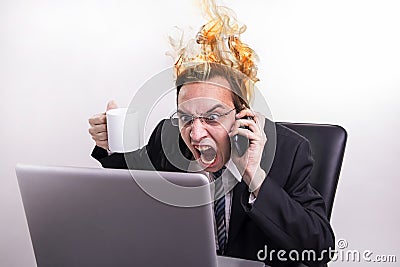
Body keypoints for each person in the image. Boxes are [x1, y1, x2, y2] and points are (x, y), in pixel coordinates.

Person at [88, 3, 335, 266]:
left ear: (241, 114)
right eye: (185, 118)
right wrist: (111, 143)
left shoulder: (289, 151)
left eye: (212, 117)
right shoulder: (169, 139)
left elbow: (319, 249)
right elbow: (132, 181)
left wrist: (254, 177)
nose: (195, 133)